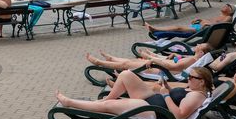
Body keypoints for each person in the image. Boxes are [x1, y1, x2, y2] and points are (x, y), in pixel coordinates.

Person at [56, 67, 214, 119]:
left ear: (202, 82)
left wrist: (166, 95)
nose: (188, 78)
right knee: (126, 74)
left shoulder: (196, 96)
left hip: (153, 109)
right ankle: (106, 100)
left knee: (108, 105)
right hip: (153, 99)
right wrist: (166, 87)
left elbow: (179, 116)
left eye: (192, 77)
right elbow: (177, 98)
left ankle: (69, 102)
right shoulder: (194, 89)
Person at [85, 43, 213, 74]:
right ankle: (111, 58)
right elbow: (176, 62)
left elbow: (172, 67)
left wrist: (153, 59)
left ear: (201, 52)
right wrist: (176, 56)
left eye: (199, 46)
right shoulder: (192, 58)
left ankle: (99, 62)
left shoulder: (192, 60)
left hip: (160, 71)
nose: (196, 45)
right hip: (160, 66)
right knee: (131, 61)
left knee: (127, 64)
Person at [144, 4, 234, 38]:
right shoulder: (221, 15)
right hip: (200, 27)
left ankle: (156, 29)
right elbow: (213, 22)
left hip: (202, 30)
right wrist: (201, 20)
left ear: (230, 11)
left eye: (227, 6)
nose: (225, 6)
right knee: (178, 27)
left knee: (178, 28)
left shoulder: (228, 17)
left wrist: (206, 23)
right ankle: (156, 29)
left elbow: (220, 26)